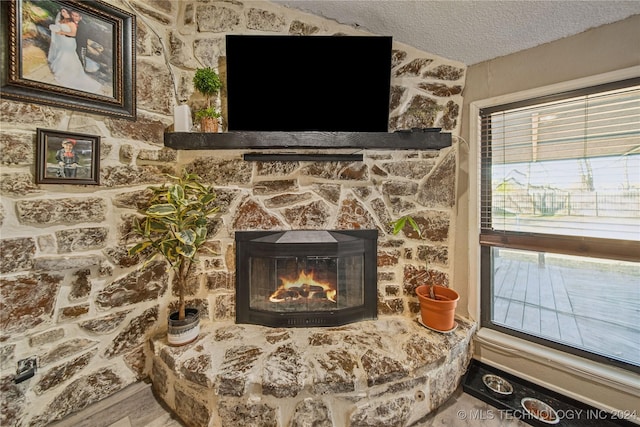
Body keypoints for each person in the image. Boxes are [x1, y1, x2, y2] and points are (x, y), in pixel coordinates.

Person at [47, 8, 101, 94]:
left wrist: (61, 32)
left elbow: (73, 34)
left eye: (65, 11)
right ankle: (63, 69)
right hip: (64, 41)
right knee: (63, 56)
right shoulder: (63, 20)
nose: (62, 13)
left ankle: (73, 73)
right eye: (73, 15)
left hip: (71, 43)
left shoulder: (74, 23)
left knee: (70, 56)